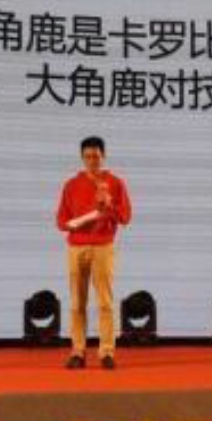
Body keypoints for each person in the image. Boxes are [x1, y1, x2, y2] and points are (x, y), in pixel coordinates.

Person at [55, 136, 132, 369]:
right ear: (82, 158)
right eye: (87, 156)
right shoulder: (71, 185)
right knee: (77, 302)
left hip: (103, 246)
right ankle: (78, 352)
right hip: (76, 247)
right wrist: (72, 224)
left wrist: (109, 205)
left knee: (105, 302)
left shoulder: (115, 183)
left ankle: (106, 352)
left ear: (103, 156)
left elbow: (125, 217)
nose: (92, 160)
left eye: (96, 156)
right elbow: (61, 219)